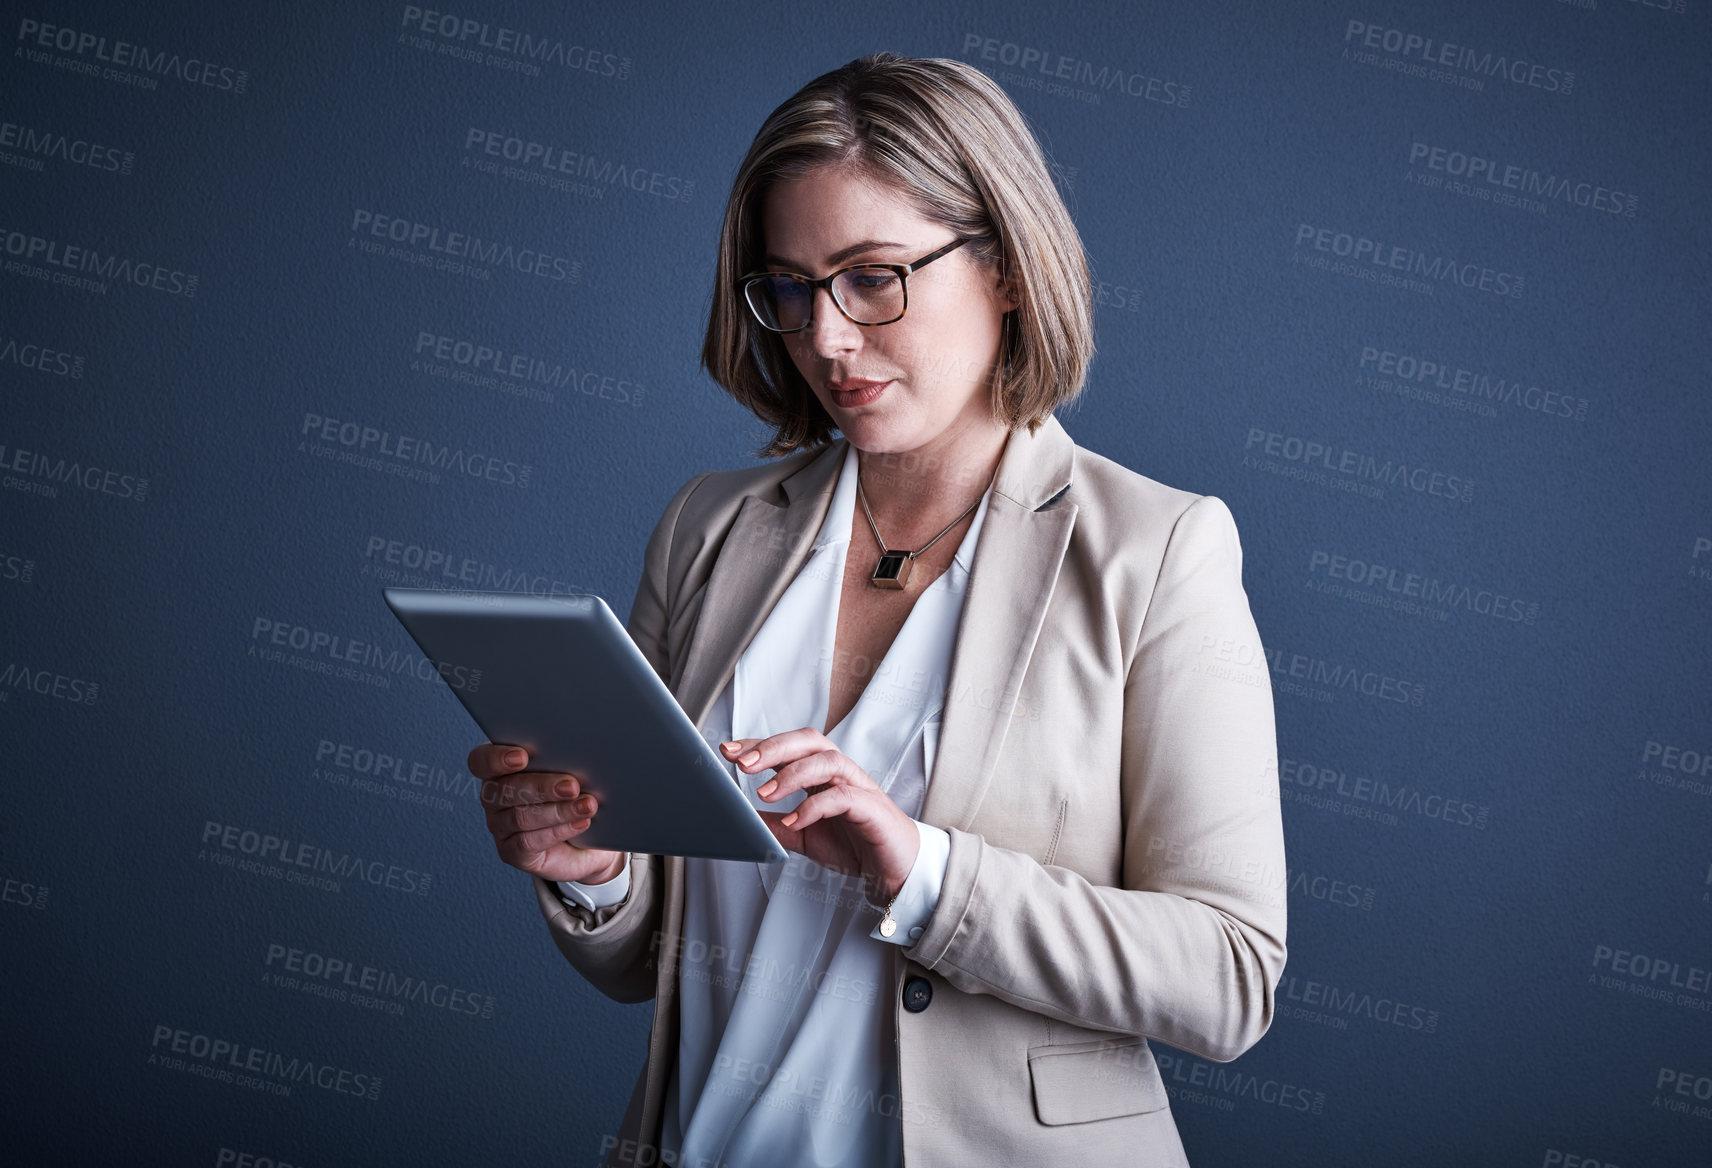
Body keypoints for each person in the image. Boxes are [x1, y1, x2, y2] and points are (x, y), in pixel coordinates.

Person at [468, 52, 1286, 1168]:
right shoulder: (706, 529)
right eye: (790, 289)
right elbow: (651, 959)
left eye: (871, 276)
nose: (826, 339)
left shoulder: (1155, 551)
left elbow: (1227, 974)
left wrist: (924, 870)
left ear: (1002, 266)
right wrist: (594, 870)